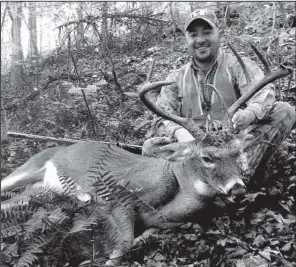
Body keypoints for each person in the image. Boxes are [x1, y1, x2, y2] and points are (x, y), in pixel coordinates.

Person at [147, 8, 295, 182]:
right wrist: (179, 132)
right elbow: (161, 117)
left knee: (285, 111)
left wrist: (250, 113)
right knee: (151, 147)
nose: (200, 40)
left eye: (207, 32)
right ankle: (201, 185)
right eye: (193, 35)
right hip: (196, 150)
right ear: (186, 40)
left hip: (234, 144)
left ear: (219, 33)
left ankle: (240, 175)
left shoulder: (238, 66)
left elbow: (264, 94)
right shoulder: (175, 78)